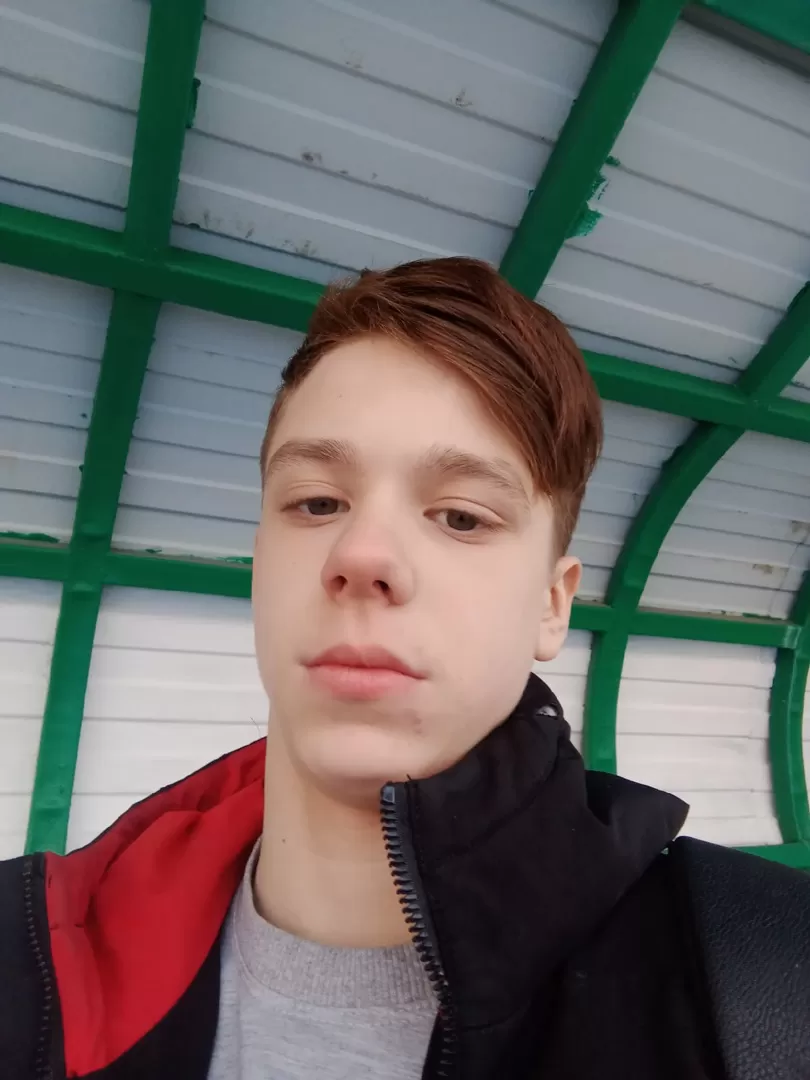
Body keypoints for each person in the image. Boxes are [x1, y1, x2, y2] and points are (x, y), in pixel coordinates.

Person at [2, 258, 808, 1080]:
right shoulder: (21, 958)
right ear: (259, 561)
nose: (362, 555)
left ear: (552, 605)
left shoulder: (772, 980)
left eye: (461, 516)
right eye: (317, 502)